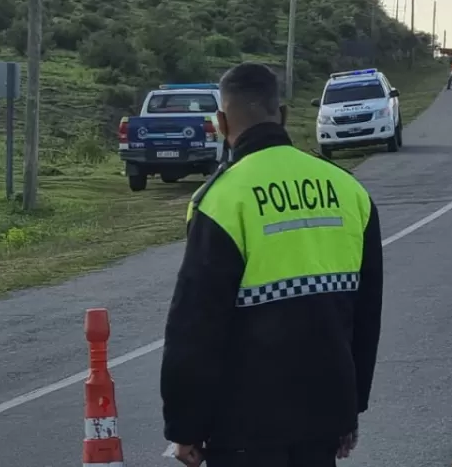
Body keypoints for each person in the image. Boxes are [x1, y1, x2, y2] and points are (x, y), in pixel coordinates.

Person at [161, 62, 383, 467]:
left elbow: (195, 325)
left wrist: (185, 425)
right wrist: (349, 410)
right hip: (323, 417)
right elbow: (365, 317)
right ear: (282, 115)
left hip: (244, 426)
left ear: (222, 121)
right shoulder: (349, 190)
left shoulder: (220, 200)